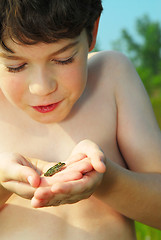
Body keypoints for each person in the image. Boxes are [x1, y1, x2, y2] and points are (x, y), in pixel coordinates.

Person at [0, 0, 161, 239]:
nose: (42, 87)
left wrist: (107, 181)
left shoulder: (112, 74)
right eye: (16, 66)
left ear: (92, 31)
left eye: (63, 59)